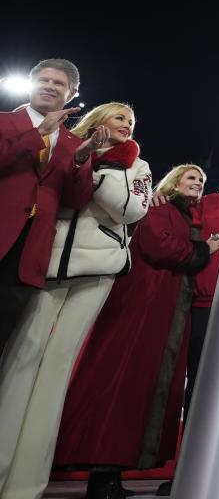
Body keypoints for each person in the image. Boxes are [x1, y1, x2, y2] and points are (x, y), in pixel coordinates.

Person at [0, 102, 150, 499]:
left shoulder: (136, 165)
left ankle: (26, 485)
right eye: (119, 118)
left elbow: (133, 210)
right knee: (19, 361)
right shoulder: (64, 147)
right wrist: (81, 158)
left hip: (97, 271)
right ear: (99, 120)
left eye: (131, 122)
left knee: (55, 370)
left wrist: (109, 168)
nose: (126, 126)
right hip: (46, 265)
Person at [54, 164, 219, 499]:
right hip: (142, 307)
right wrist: (206, 249)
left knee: (137, 391)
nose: (197, 184)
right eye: (191, 178)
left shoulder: (180, 213)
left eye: (201, 181)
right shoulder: (158, 207)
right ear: (172, 182)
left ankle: (110, 476)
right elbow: (162, 248)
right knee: (119, 385)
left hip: (162, 310)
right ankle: (102, 477)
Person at [150, 150, 219, 497]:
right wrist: (160, 197)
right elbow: (175, 221)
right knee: (199, 391)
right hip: (206, 306)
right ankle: (192, 468)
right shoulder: (206, 203)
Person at [0, 59, 95, 355]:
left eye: (58, 83)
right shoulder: (4, 121)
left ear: (72, 92)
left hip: (28, 254)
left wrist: (81, 161)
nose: (49, 86)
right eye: (43, 80)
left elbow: (75, 200)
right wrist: (37, 134)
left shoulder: (73, 143)